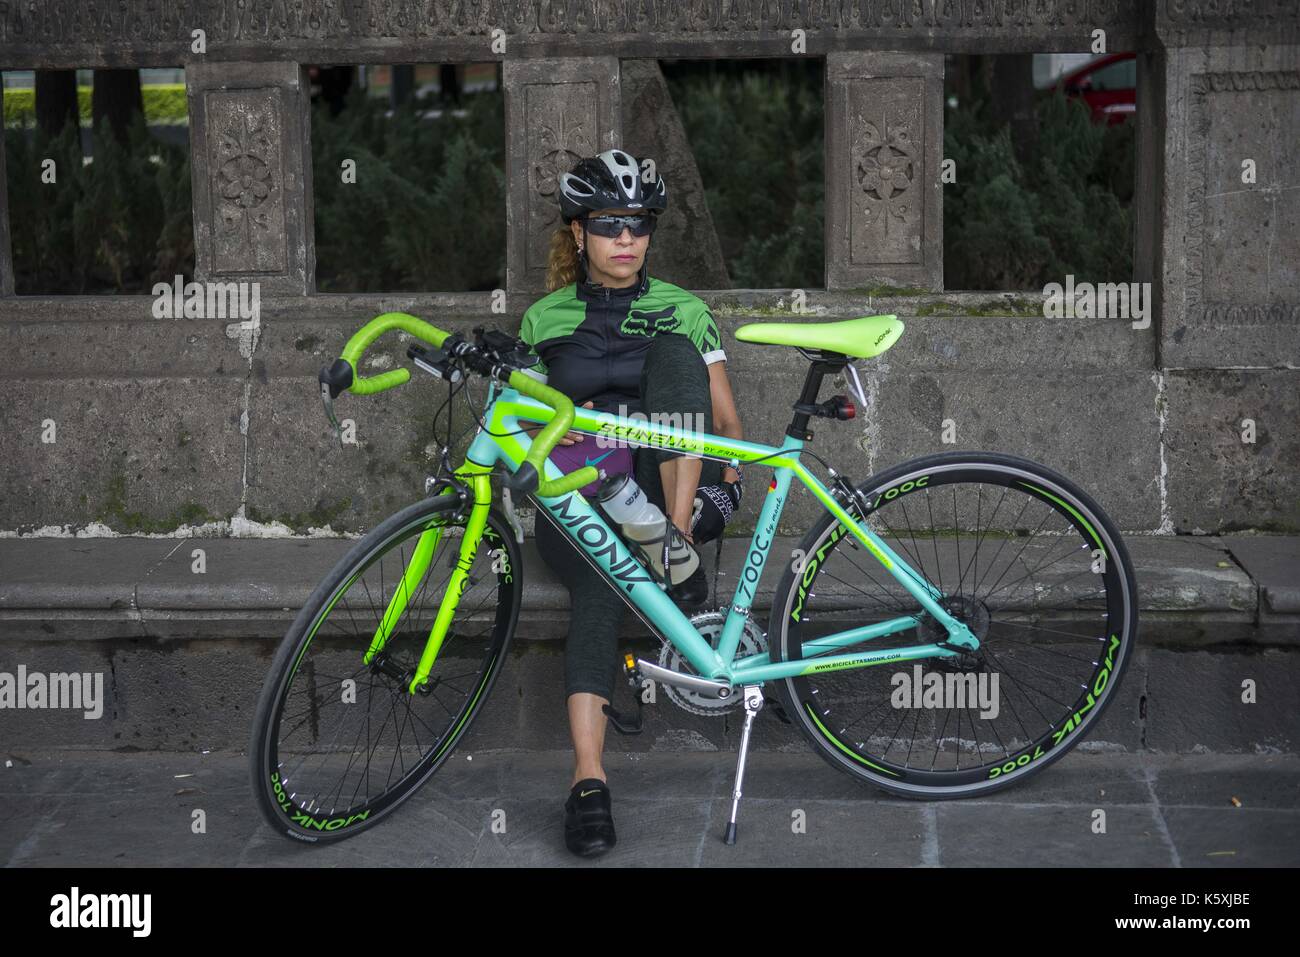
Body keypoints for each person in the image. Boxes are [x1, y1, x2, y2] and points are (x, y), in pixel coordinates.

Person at [516, 149, 746, 858]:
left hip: (670, 484)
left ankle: (668, 542)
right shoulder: (543, 319)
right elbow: (524, 429)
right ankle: (589, 776)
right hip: (577, 490)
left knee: (674, 356)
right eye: (609, 223)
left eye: (639, 224)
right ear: (578, 234)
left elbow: (728, 426)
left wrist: (725, 484)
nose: (627, 237)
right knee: (601, 573)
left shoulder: (683, 309)